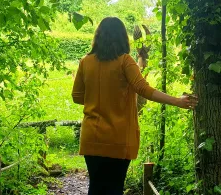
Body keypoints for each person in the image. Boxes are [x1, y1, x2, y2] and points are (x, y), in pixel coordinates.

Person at [71, 17, 198, 195]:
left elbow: (77, 97)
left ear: (98, 37)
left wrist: (99, 97)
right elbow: (144, 89)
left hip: (91, 137)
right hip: (118, 138)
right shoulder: (125, 61)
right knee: (115, 188)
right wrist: (177, 101)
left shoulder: (85, 61)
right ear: (123, 38)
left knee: (96, 188)